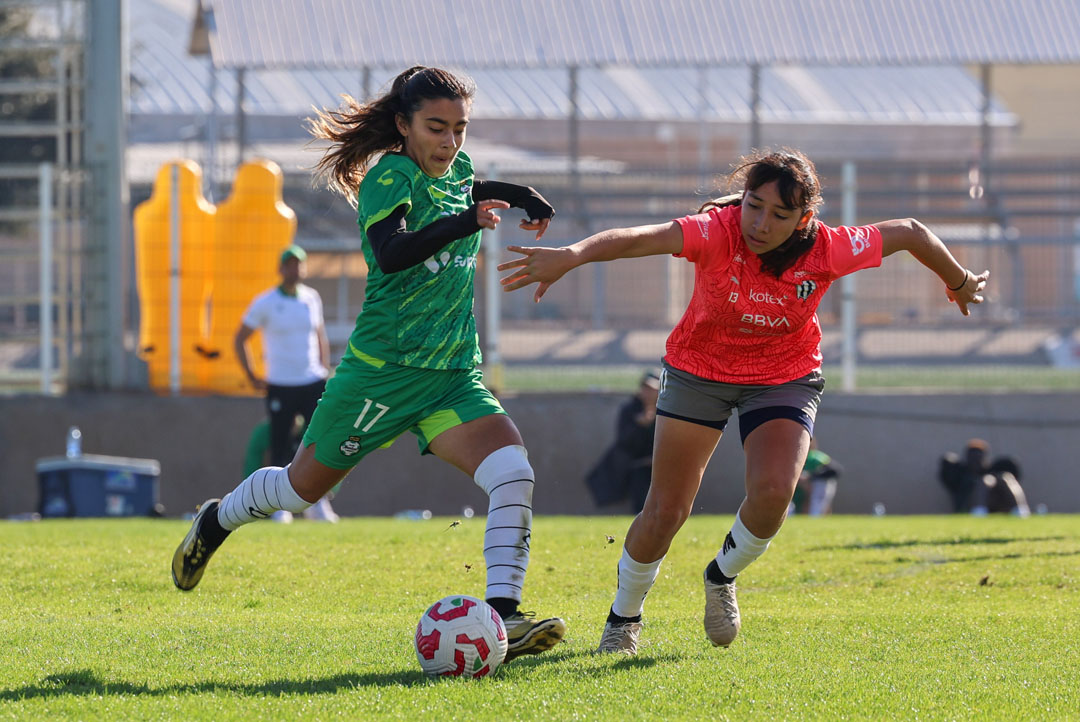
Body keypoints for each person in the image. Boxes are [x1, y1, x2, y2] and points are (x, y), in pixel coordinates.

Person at [498, 147, 989, 655]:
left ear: (805, 217)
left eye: (780, 214)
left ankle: (720, 574)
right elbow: (638, 239)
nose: (761, 223)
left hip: (784, 377)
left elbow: (910, 231)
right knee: (666, 510)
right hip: (699, 371)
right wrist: (572, 255)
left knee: (776, 491)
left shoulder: (828, 248)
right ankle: (624, 617)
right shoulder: (716, 231)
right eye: (754, 205)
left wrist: (959, 282)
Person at [172, 66, 565, 662]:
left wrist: (515, 194)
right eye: (436, 127)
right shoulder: (389, 174)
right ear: (403, 126)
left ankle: (504, 619)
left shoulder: (457, 170)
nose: (450, 142)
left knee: (513, 472)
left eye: (460, 128)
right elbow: (393, 250)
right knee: (301, 491)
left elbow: (468, 183)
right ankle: (216, 520)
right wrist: (467, 220)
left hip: (451, 374)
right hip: (380, 374)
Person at [234, 245, 338, 522]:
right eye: (290, 264)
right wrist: (252, 375)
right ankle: (279, 505)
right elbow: (240, 338)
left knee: (317, 441)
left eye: (299, 264)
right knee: (279, 443)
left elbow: (320, 335)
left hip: (311, 380)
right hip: (280, 382)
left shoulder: (311, 298)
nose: (295, 269)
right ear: (281, 269)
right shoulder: (265, 302)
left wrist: (324, 369)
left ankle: (318, 503)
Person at [585, 368, 660, 513]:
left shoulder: (665, 411)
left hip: (661, 467)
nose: (648, 393)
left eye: (653, 389)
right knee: (641, 508)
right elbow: (624, 441)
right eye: (646, 388)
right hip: (638, 468)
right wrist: (640, 426)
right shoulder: (630, 410)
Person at [939, 439, 1029, 516]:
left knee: (1005, 478)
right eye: (972, 457)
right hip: (968, 505)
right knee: (983, 482)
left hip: (995, 506)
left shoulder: (993, 472)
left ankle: (1020, 511)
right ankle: (979, 512)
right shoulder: (960, 474)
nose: (976, 461)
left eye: (979, 457)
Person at [790, 440, 842, 516]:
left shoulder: (816, 457)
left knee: (817, 504)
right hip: (797, 487)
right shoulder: (792, 457)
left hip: (817, 485)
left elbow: (835, 470)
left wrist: (810, 477)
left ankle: (815, 517)